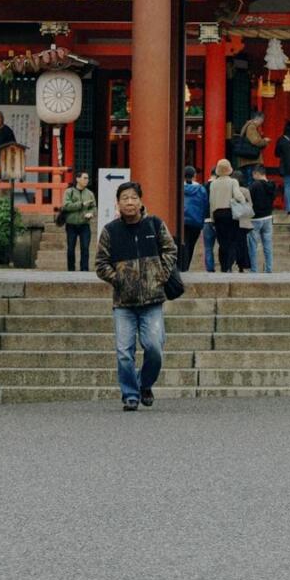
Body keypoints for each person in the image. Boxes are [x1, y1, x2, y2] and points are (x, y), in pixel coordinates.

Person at [94, 179, 178, 412]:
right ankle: (130, 394)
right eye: (125, 199)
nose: (129, 202)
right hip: (124, 302)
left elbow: (171, 250)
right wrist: (119, 278)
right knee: (124, 352)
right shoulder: (110, 231)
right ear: (118, 203)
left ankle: (145, 384)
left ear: (141, 201)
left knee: (154, 347)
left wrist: (160, 273)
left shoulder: (154, 224)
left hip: (153, 299)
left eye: (133, 198)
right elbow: (100, 264)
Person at [208, 157, 246, 273]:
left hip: (218, 214)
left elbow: (212, 201)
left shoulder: (213, 184)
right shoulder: (233, 182)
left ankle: (223, 266)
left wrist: (212, 217)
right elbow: (238, 195)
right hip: (230, 213)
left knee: (222, 242)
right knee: (231, 240)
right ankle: (229, 264)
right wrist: (243, 201)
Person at [58, 169, 97, 273]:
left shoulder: (90, 194)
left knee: (85, 248)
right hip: (71, 224)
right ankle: (71, 269)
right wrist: (81, 204)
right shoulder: (69, 192)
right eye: (84, 178)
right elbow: (66, 206)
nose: (86, 180)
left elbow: (94, 207)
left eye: (87, 178)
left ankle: (84, 269)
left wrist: (91, 213)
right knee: (71, 248)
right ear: (77, 179)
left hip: (85, 224)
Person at [180, 163, 211, 272]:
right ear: (194, 176)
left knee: (182, 244)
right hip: (196, 221)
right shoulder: (201, 189)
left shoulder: (179, 187)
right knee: (191, 245)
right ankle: (186, 267)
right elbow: (205, 205)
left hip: (181, 221)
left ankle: (181, 266)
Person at [247, 165, 278, 274]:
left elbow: (248, 199)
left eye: (253, 174)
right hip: (268, 217)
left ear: (257, 173)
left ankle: (254, 269)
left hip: (255, 218)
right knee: (268, 245)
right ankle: (269, 268)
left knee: (253, 246)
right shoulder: (272, 185)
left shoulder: (254, 185)